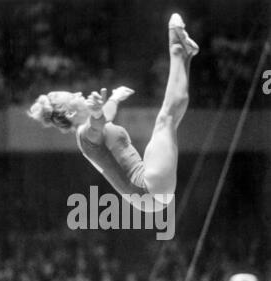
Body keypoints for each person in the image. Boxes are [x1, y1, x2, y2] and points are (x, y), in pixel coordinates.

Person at [29, 13, 199, 212]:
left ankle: (184, 55)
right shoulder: (85, 136)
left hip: (148, 187)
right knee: (166, 119)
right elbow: (97, 125)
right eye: (73, 97)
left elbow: (105, 117)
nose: (78, 93)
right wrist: (97, 113)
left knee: (171, 118)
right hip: (147, 190)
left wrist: (114, 99)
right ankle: (177, 47)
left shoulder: (95, 125)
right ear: (71, 114)